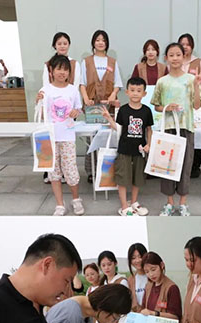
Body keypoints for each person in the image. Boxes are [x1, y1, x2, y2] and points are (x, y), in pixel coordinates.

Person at [151, 42, 201, 216]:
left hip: (186, 127)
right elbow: (156, 106)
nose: (175, 58)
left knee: (185, 166)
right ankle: (169, 203)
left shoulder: (191, 79)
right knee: (166, 167)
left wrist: (197, 85)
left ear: (184, 57)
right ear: (166, 58)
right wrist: (167, 107)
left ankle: (183, 203)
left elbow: (197, 105)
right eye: (171, 55)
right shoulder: (162, 82)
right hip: (168, 128)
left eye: (178, 55)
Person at [37, 54, 84, 216]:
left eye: (65, 69)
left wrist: (75, 111)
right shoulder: (45, 90)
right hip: (49, 138)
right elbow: (41, 113)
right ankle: (59, 204)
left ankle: (76, 200)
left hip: (67, 136)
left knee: (71, 170)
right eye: (59, 69)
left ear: (69, 72)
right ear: (51, 71)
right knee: (54, 171)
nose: (62, 72)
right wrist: (38, 101)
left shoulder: (72, 90)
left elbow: (78, 108)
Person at [102, 77, 153, 216]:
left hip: (140, 151)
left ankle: (134, 202)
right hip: (124, 150)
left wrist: (149, 144)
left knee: (138, 178)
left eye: (139, 90)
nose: (135, 93)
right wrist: (109, 118)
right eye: (132, 90)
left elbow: (149, 130)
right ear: (127, 92)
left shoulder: (147, 111)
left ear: (144, 93)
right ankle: (124, 206)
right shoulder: (123, 110)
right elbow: (118, 129)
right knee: (123, 178)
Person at [80, 30, 123, 183]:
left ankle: (108, 170)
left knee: (109, 137)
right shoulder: (86, 62)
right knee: (91, 138)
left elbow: (118, 84)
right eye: (97, 40)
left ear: (107, 43)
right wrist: (86, 98)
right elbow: (82, 83)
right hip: (92, 107)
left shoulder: (112, 62)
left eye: (103, 40)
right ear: (93, 42)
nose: (100, 42)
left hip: (108, 107)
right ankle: (91, 171)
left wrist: (113, 95)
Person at [41, 31, 81, 186]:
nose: (62, 46)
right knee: (52, 142)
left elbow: (76, 83)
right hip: (53, 109)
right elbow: (46, 86)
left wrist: (71, 102)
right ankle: (50, 172)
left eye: (65, 43)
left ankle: (66, 173)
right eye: (59, 43)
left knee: (66, 142)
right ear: (54, 46)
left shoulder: (74, 63)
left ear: (69, 45)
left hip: (68, 107)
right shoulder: (48, 64)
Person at [178, 33, 201, 179]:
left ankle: (195, 166)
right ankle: (180, 165)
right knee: (180, 133)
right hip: (178, 105)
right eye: (182, 44)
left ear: (192, 46)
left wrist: (196, 92)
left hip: (195, 103)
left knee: (196, 134)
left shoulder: (199, 63)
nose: (185, 47)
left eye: (187, 44)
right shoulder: (175, 62)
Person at [140, 252, 182, 320]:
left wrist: (154, 313)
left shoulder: (172, 288)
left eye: (153, 270)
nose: (151, 274)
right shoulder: (148, 286)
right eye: (147, 272)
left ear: (162, 265)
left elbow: (175, 317)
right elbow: (143, 308)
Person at [127, 243, 148, 311]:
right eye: (133, 258)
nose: (137, 260)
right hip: (138, 315)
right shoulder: (130, 280)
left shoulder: (153, 276)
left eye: (140, 256)